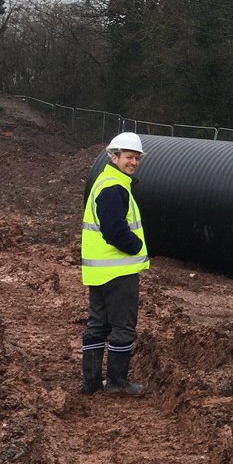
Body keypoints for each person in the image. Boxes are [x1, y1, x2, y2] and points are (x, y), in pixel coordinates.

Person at [80, 131, 150, 395]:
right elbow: (114, 230)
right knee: (122, 326)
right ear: (114, 157)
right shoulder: (113, 187)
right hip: (118, 271)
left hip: (99, 272)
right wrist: (136, 246)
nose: (133, 162)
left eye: (137, 158)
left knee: (98, 324)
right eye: (129, 157)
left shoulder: (106, 181)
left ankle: (91, 383)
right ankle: (118, 383)